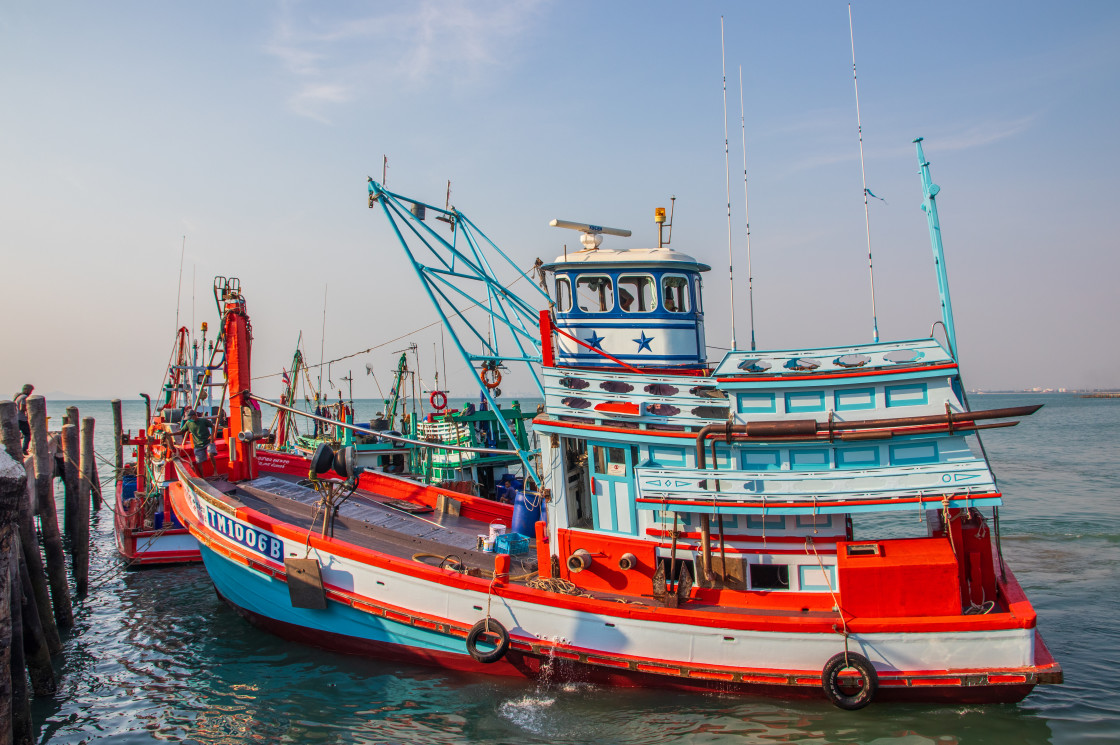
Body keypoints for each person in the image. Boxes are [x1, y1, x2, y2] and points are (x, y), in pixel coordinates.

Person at [183, 409, 218, 476]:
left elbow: (212, 426)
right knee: (198, 461)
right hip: (198, 444)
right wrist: (171, 434)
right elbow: (182, 431)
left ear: (194, 416)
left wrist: (212, 436)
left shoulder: (203, 420)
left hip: (208, 441)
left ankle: (215, 471)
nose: (189, 419)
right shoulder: (188, 423)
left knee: (210, 453)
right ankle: (202, 477)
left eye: (190, 418)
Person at [13, 384, 33, 454]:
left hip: (16, 418)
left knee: (17, 434)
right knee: (27, 434)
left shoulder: (18, 396)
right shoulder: (24, 397)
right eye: (30, 391)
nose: (31, 393)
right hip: (22, 418)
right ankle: (24, 449)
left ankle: (16, 449)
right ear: (27, 390)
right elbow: (23, 408)